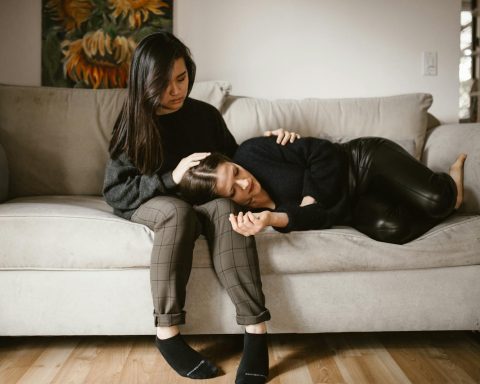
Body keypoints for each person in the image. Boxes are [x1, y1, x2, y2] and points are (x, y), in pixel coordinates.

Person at [103, 31, 300, 383]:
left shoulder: (205, 115)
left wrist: (276, 145)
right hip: (153, 202)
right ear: (145, 83)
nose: (176, 91)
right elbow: (116, 191)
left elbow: (238, 162)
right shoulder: (134, 122)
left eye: (181, 79)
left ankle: (256, 331)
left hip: (203, 204)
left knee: (227, 209)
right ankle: (167, 335)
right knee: (177, 212)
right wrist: (171, 178)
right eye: (164, 84)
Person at [179, 136, 467, 244]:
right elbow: (317, 219)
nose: (245, 182)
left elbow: (322, 152)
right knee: (392, 229)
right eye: (233, 190)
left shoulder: (252, 151)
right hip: (353, 207)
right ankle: (415, 195)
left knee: (439, 199)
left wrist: (310, 199)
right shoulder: (248, 216)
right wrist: (272, 219)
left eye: (236, 172)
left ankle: (447, 184)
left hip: (360, 163)